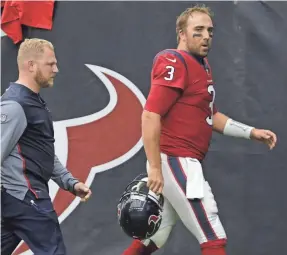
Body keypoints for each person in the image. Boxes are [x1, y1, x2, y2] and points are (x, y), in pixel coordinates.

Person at [122, 5, 277, 255]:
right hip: (176, 160)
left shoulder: (201, 65)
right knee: (213, 237)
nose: (206, 36)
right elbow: (150, 115)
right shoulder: (174, 60)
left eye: (210, 31)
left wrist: (251, 132)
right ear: (181, 33)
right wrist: (154, 167)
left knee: (154, 238)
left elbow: (211, 117)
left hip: (181, 161)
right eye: (198, 30)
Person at [1, 38, 92, 255]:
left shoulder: (31, 102)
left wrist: (70, 183)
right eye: (50, 64)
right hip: (28, 199)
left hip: (16, 201)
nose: (56, 69)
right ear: (31, 65)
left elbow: (42, 152)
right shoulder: (15, 105)